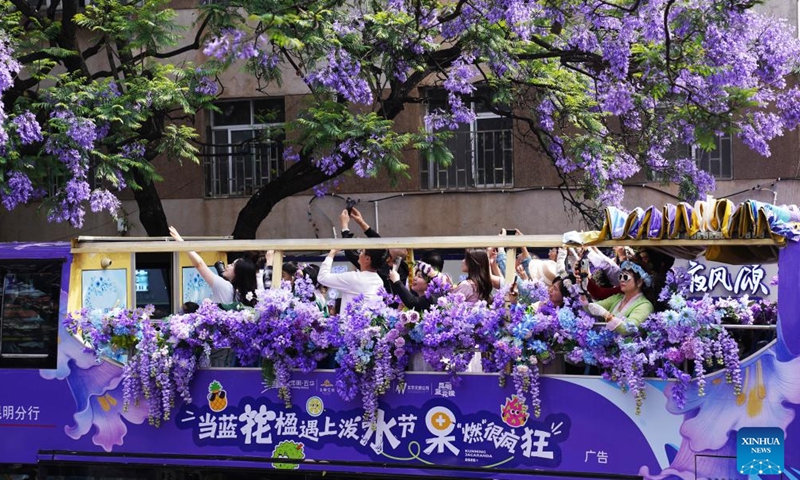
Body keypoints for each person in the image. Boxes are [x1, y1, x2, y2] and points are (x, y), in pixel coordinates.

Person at [169, 226, 257, 307]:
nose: (228, 265)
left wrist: (181, 242)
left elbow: (199, 264)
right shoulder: (244, 297)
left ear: (238, 273)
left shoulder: (225, 287)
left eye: (232, 265)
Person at [339, 208, 409, 294]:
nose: (383, 251)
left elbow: (350, 253)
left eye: (386, 251)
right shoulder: (400, 267)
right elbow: (379, 242)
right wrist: (361, 222)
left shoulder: (382, 272)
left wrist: (344, 226)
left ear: (390, 260)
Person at [582, 260, 655, 334]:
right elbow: (590, 308)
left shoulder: (645, 306)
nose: (621, 280)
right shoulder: (618, 297)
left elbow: (627, 329)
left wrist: (606, 314)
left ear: (639, 282)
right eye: (620, 276)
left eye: (626, 277)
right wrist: (582, 291)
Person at [318, 248, 385, 312]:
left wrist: (332, 252)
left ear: (367, 259)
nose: (359, 254)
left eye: (362, 252)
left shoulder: (354, 278)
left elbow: (322, 277)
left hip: (351, 319)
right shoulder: (379, 281)